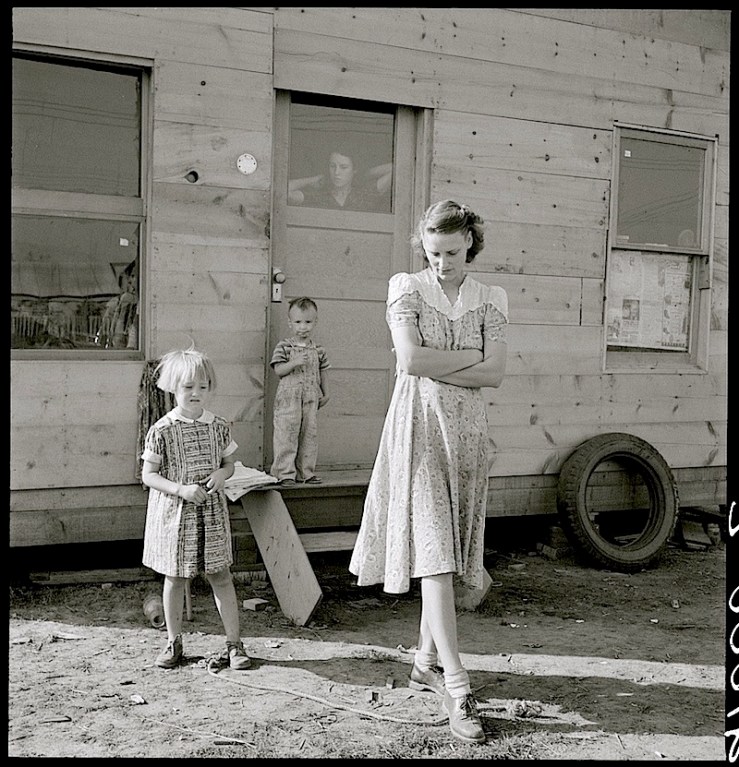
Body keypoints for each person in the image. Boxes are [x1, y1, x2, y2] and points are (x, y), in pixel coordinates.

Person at [348, 200, 508, 745]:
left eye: (454, 252)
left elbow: (499, 373)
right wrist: (470, 358)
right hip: (417, 429)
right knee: (435, 551)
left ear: (471, 246)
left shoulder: (492, 298)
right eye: (434, 252)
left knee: (452, 549)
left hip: (466, 436)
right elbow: (411, 362)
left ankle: (424, 662)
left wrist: (455, 363)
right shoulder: (406, 287)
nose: (442, 262)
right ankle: (458, 684)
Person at [140, 345, 252, 671]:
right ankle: (174, 642)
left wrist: (221, 473)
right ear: (174, 388)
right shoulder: (161, 430)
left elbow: (229, 464)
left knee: (220, 575)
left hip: (212, 516)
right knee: (175, 578)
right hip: (176, 516)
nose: (196, 393)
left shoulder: (218, 426)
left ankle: (234, 644)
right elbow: (149, 475)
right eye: (188, 387)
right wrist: (180, 490)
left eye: (203, 387)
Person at [270, 297, 330, 485]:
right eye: (298, 322)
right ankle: (284, 473)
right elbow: (278, 370)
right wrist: (294, 363)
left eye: (308, 322)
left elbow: (323, 371)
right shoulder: (284, 347)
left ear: (315, 322)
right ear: (290, 323)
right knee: (286, 434)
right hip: (289, 399)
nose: (303, 327)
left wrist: (325, 392)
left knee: (309, 435)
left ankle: (306, 472)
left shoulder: (318, 349)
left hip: (310, 397)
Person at [288, 148, 392, 212]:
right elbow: (283, 192)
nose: (336, 172)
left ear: (354, 169)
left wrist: (365, 174)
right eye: (333, 166)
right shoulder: (319, 196)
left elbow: (396, 169)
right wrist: (310, 180)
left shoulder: (364, 195)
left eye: (343, 167)